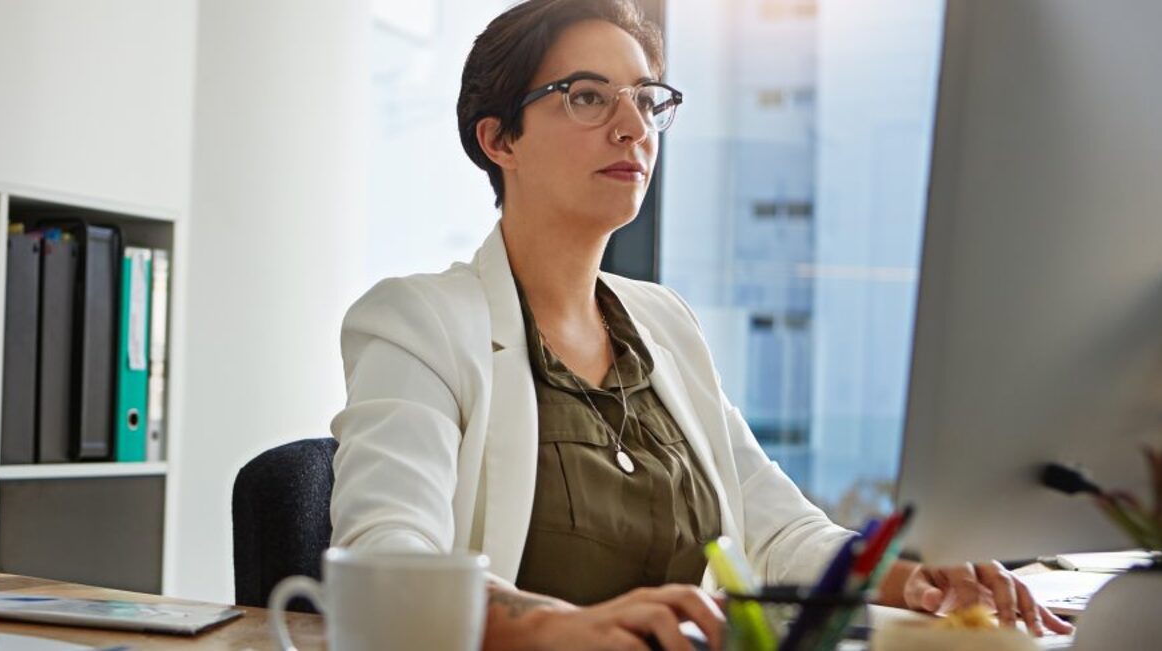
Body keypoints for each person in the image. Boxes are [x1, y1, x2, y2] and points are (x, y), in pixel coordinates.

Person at [328, 1, 1075, 649]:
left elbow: (779, 532)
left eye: (647, 101)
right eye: (587, 98)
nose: (633, 128)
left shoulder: (664, 323)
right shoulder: (418, 323)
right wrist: (551, 628)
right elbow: (386, 561)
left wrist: (920, 586)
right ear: (501, 140)